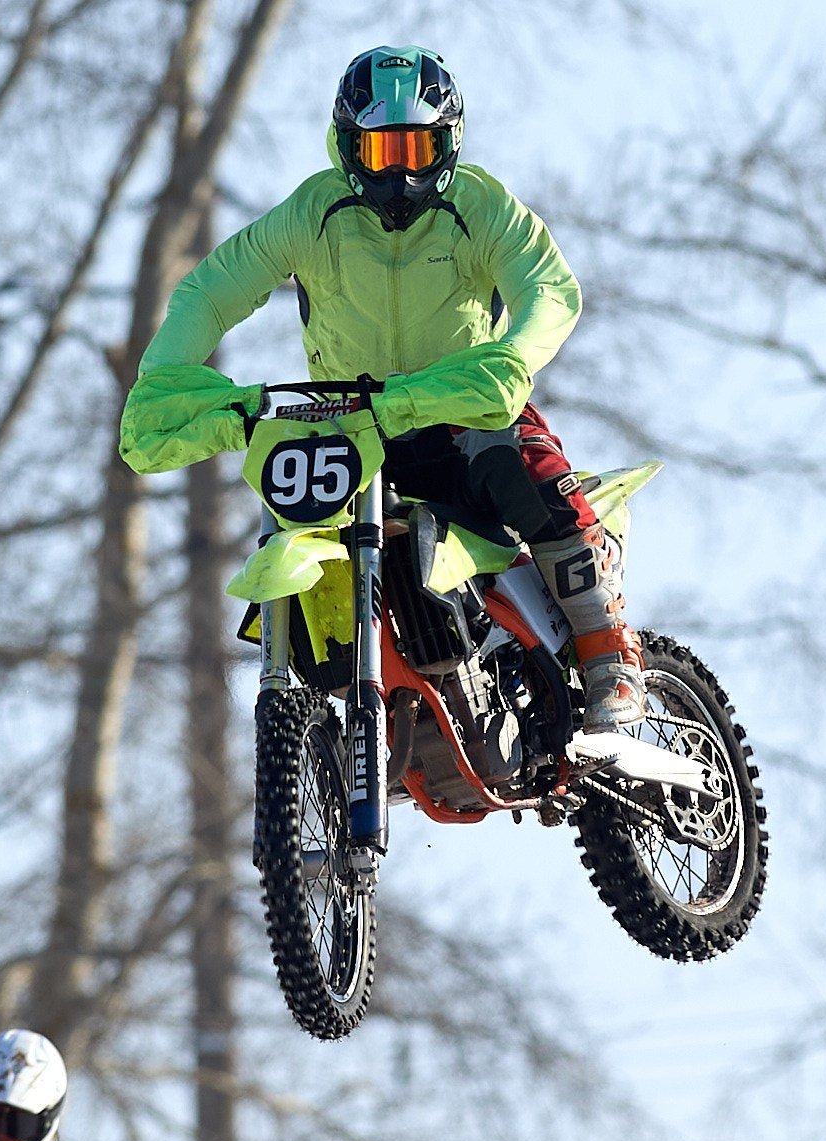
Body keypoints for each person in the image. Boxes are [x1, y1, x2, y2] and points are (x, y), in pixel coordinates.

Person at [121, 43, 640, 733]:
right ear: (347, 147)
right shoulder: (314, 213)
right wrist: (167, 371)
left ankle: (608, 649)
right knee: (293, 511)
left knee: (514, 456)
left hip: (462, 409)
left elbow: (549, 287)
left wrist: (514, 355)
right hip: (353, 430)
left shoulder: (480, 205)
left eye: (415, 148)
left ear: (447, 143)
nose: (397, 170)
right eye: (379, 150)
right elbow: (212, 291)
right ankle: (335, 711)